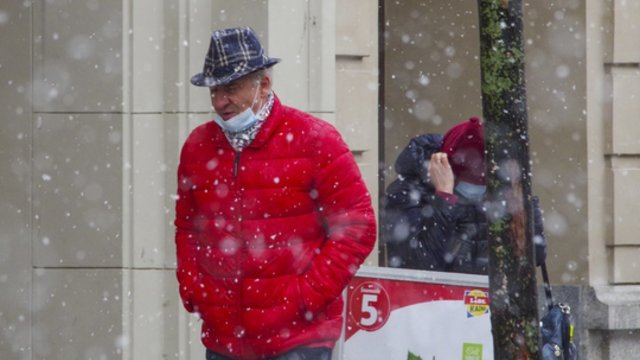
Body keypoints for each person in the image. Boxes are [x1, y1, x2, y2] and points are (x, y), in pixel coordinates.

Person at [174, 27, 376, 360]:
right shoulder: (198, 147)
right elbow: (187, 227)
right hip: (224, 339)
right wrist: (195, 290)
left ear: (264, 85)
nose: (219, 101)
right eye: (214, 90)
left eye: (231, 89)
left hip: (298, 341)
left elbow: (358, 228)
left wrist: (304, 297)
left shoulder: (315, 139)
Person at [382, 117, 546, 273]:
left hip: (488, 299)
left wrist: (522, 205)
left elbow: (534, 258)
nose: (474, 192)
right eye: (466, 182)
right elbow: (420, 265)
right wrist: (444, 197)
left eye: (482, 185)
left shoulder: (500, 190)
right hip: (430, 301)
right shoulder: (407, 192)